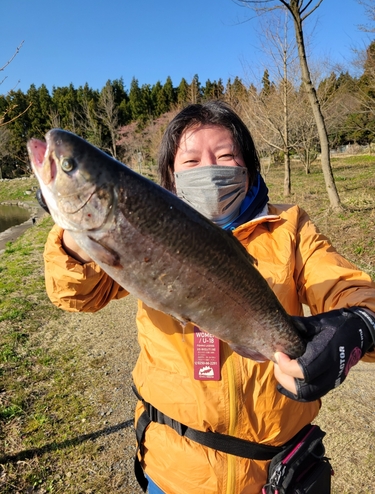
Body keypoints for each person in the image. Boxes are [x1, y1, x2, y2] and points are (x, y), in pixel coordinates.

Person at [43, 101, 375, 493]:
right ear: (170, 175)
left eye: (225, 156)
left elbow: (346, 288)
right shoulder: (144, 226)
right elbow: (76, 296)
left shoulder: (290, 228)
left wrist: (360, 324)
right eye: (191, 161)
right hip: (174, 470)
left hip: (275, 473)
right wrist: (77, 238)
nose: (209, 171)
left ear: (248, 167)